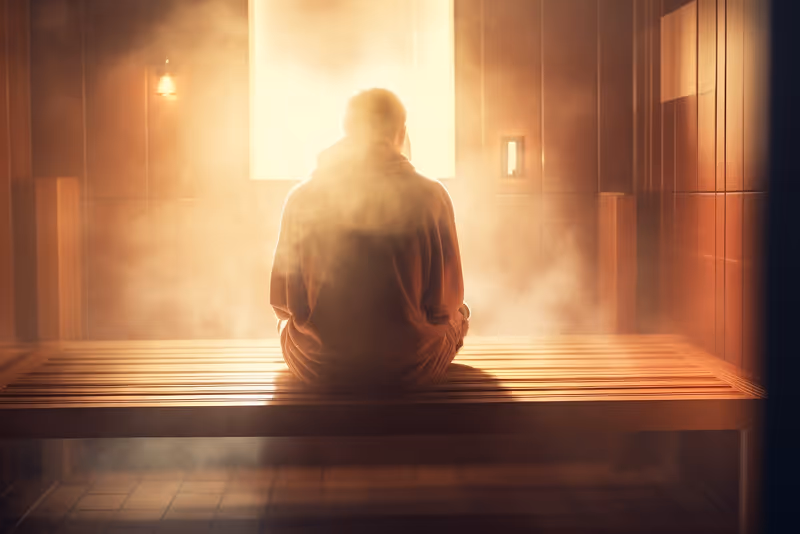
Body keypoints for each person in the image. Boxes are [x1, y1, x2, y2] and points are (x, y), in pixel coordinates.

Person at [270, 88, 470, 389]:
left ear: (347, 131)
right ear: (401, 133)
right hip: (411, 368)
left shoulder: (302, 196)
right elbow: (445, 306)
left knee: (286, 325)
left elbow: (282, 306)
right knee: (461, 313)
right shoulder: (431, 196)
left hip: (319, 367)